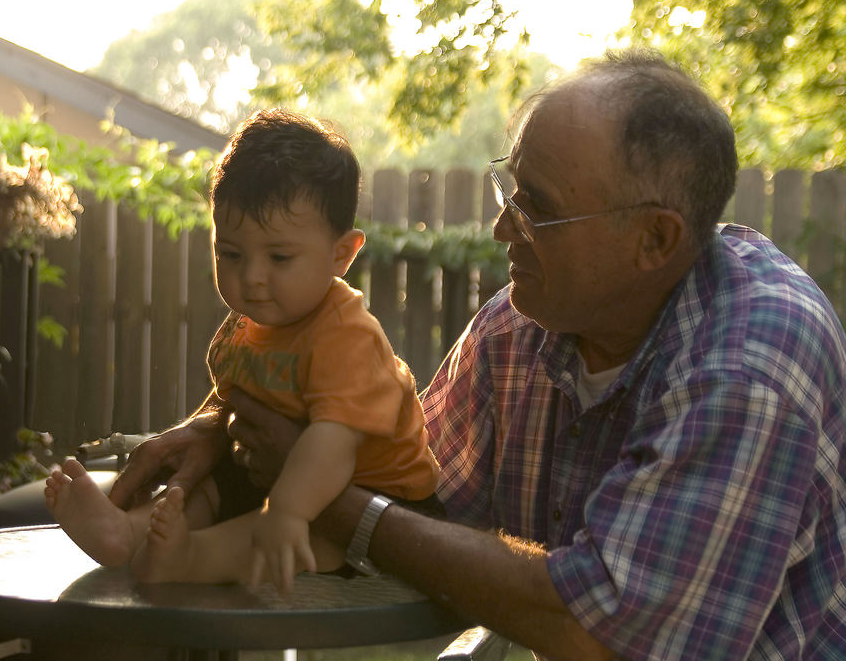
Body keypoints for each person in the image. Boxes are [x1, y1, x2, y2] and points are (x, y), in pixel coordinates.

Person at [108, 49, 846, 660]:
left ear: (654, 239)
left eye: (537, 206)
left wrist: (323, 498)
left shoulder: (751, 363)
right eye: (509, 188)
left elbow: (600, 629)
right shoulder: (524, 325)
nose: (500, 227)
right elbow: (414, 489)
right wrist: (228, 434)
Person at [45, 109, 440, 593]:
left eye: (279, 257)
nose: (251, 276)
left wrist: (288, 509)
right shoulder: (246, 325)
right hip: (268, 474)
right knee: (206, 485)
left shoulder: (346, 333)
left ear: (342, 253)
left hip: (370, 502)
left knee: (287, 531)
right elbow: (225, 407)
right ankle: (128, 532)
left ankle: (186, 560)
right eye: (230, 254)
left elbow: (333, 445)